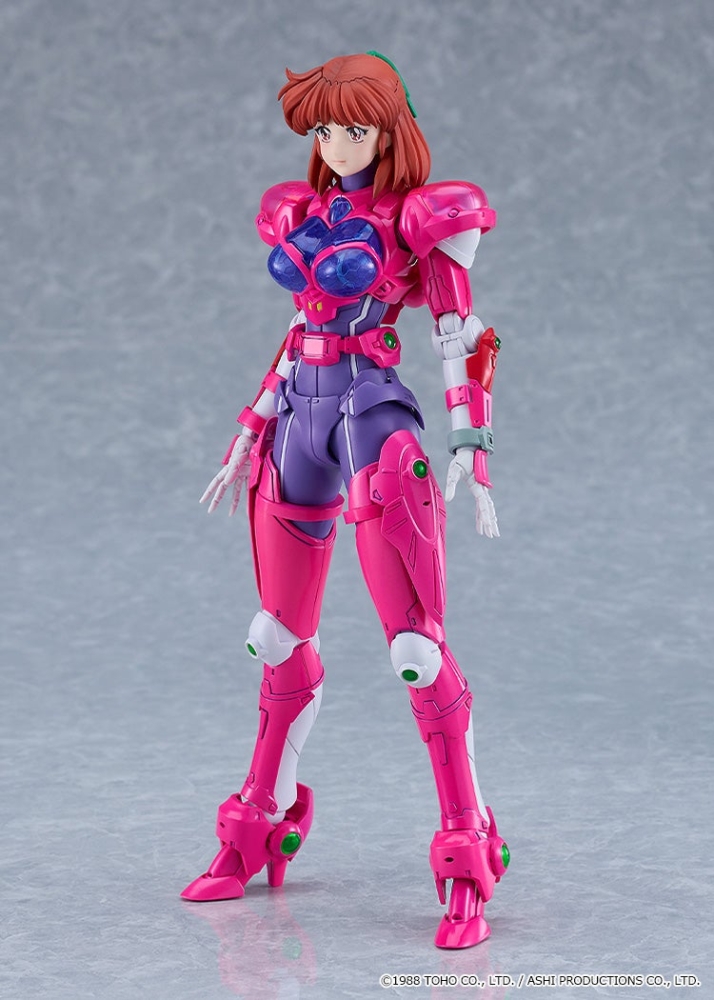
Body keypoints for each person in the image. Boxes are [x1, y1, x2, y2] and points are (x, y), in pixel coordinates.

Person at [181, 52, 509, 950]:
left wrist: (471, 443)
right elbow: (300, 329)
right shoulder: (306, 211)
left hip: (373, 417)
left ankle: (467, 843)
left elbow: (459, 334)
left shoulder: (420, 220)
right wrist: (249, 426)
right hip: (299, 415)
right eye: (324, 128)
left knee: (416, 651)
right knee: (276, 638)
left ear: (389, 132)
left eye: (354, 128)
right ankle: (262, 816)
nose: (336, 143)